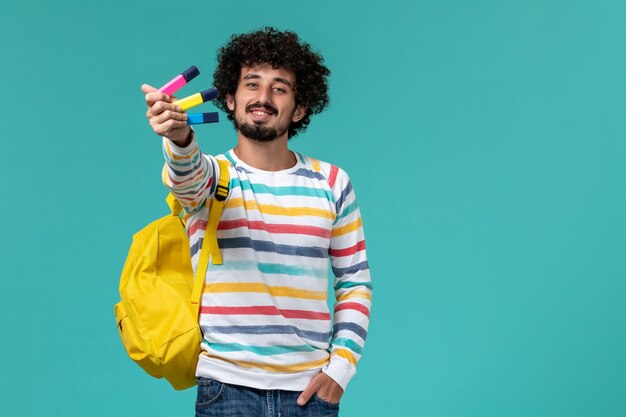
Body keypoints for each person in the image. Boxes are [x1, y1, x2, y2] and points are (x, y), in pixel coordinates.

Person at [141, 27, 372, 417]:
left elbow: (355, 282)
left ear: (300, 108)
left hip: (309, 395)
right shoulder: (212, 176)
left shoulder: (333, 183)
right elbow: (188, 177)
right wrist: (180, 137)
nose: (263, 97)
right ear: (230, 99)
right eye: (252, 84)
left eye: (279, 88)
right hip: (225, 390)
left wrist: (341, 369)